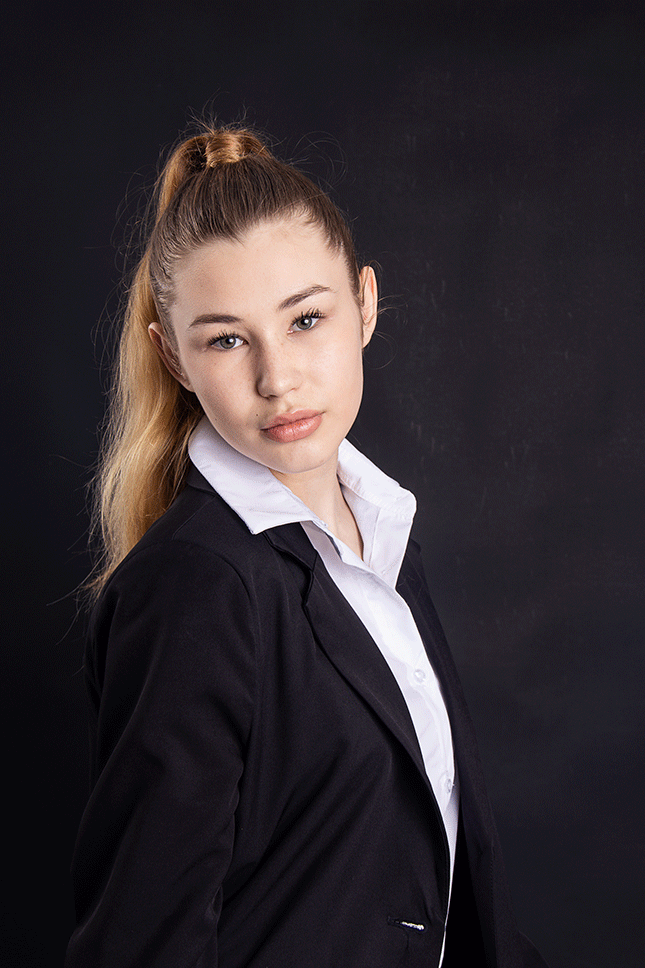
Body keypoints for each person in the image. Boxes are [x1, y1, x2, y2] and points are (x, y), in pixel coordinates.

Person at [66, 124, 547, 968]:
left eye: (306, 319)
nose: (277, 379)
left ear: (365, 304)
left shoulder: (377, 533)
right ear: (172, 358)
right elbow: (142, 944)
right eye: (226, 339)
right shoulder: (192, 588)